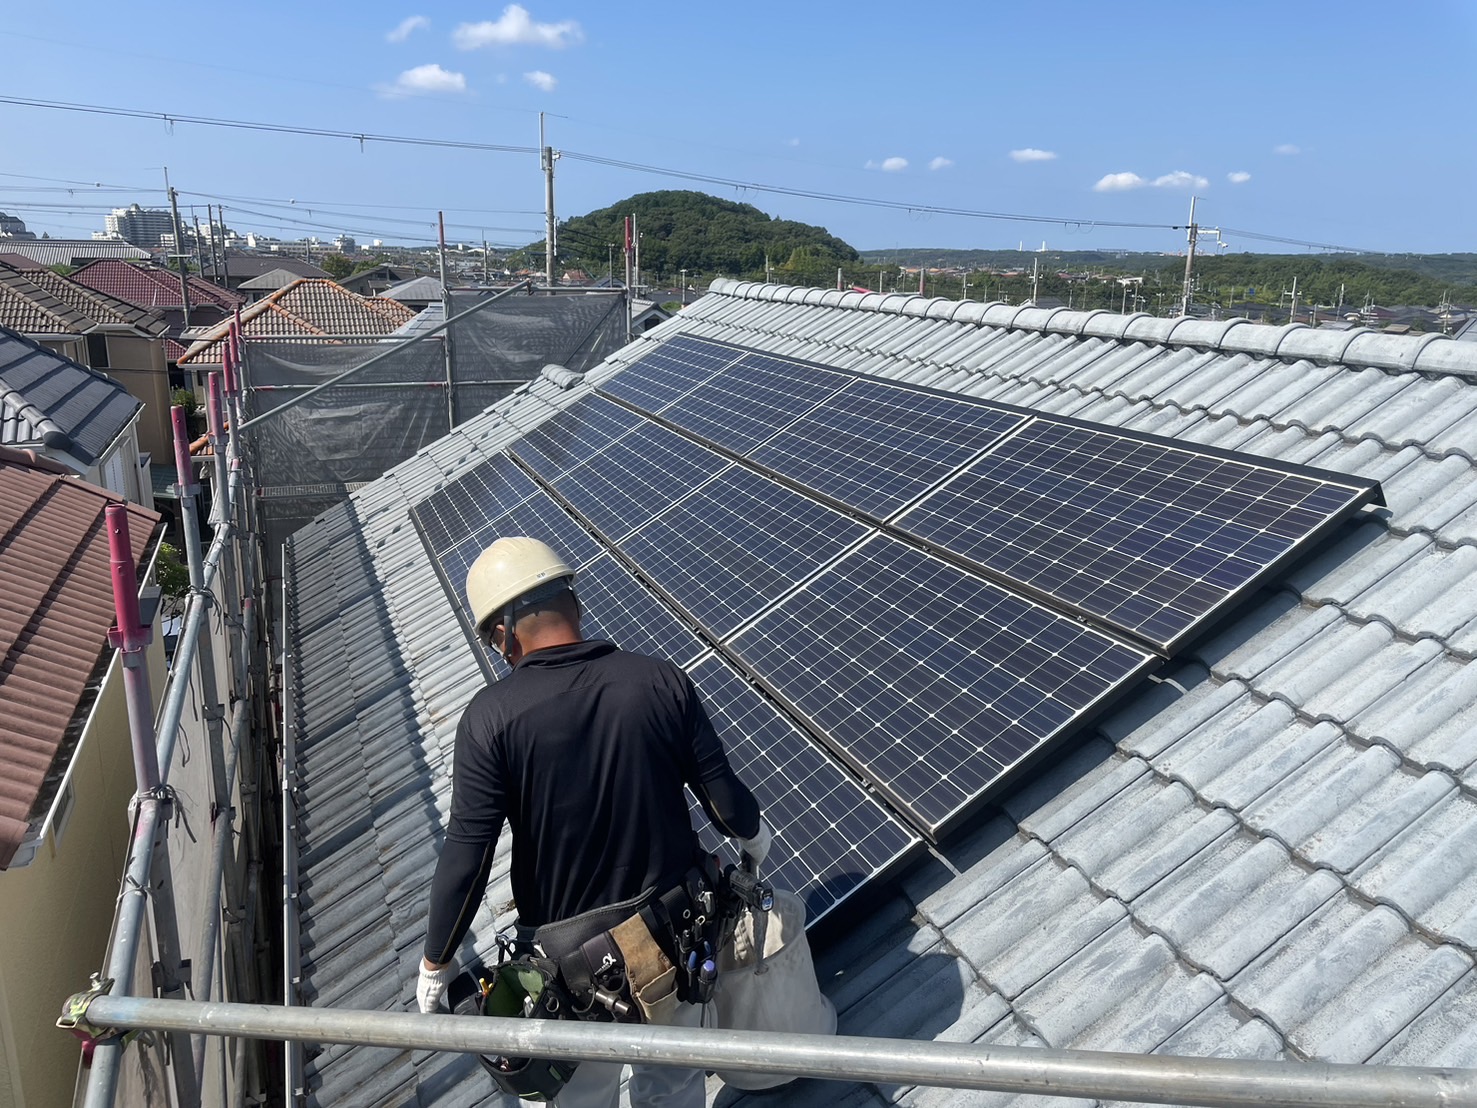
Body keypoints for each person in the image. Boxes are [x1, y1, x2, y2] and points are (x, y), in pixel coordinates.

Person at [417, 536, 771, 1108]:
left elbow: (469, 857)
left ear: (504, 634)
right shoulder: (658, 680)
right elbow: (725, 803)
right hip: (673, 942)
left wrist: (437, 961)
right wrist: (755, 843)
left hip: (573, 977)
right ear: (573, 604)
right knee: (676, 1087)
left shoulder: (490, 721)